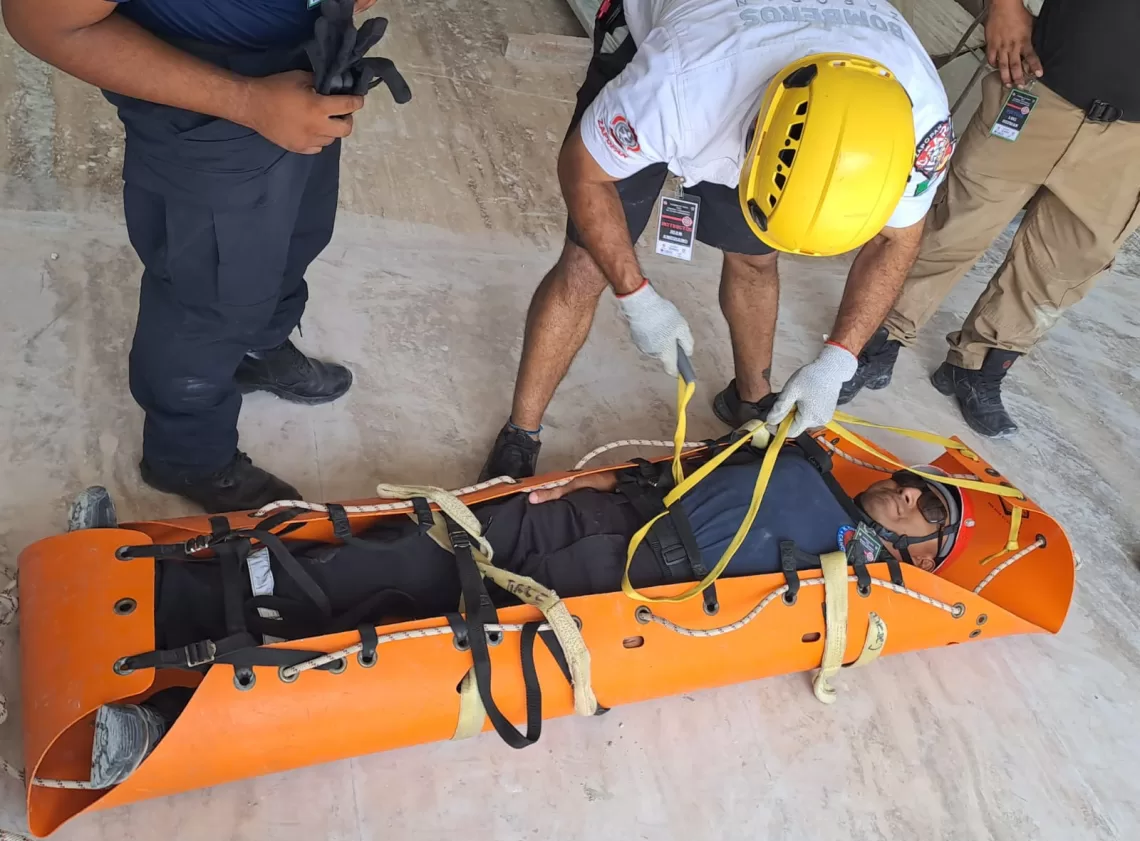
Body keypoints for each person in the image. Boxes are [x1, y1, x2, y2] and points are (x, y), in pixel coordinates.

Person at [86, 430, 961, 784]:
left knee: (404, 629)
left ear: (924, 555)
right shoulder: (803, 459)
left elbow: (844, 630)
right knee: (399, 549)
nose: (914, 498)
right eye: (921, 488)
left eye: (933, 516)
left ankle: (163, 715)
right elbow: (678, 464)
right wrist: (570, 483)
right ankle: (153, 580)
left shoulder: (861, 583)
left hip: (622, 586)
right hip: (607, 520)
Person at [480, 0, 955, 480]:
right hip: (693, 39)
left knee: (754, 256)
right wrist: (637, 297)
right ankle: (521, 434)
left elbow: (896, 242)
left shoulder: (919, 122)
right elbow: (583, 172)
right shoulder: (678, 84)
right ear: (756, 142)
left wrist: (839, 360)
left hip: (767, 68)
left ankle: (751, 401)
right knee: (586, 267)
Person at [1, 0, 385, 512]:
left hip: (308, 68)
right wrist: (247, 102)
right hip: (208, 97)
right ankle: (188, 458)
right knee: (205, 297)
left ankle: (256, 350)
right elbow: (41, 21)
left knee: (297, 236)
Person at [839, 0, 1140, 438]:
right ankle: (878, 338)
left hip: (1129, 142)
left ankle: (979, 366)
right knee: (955, 224)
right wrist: (1003, 5)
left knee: (1062, 268)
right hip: (1041, 90)